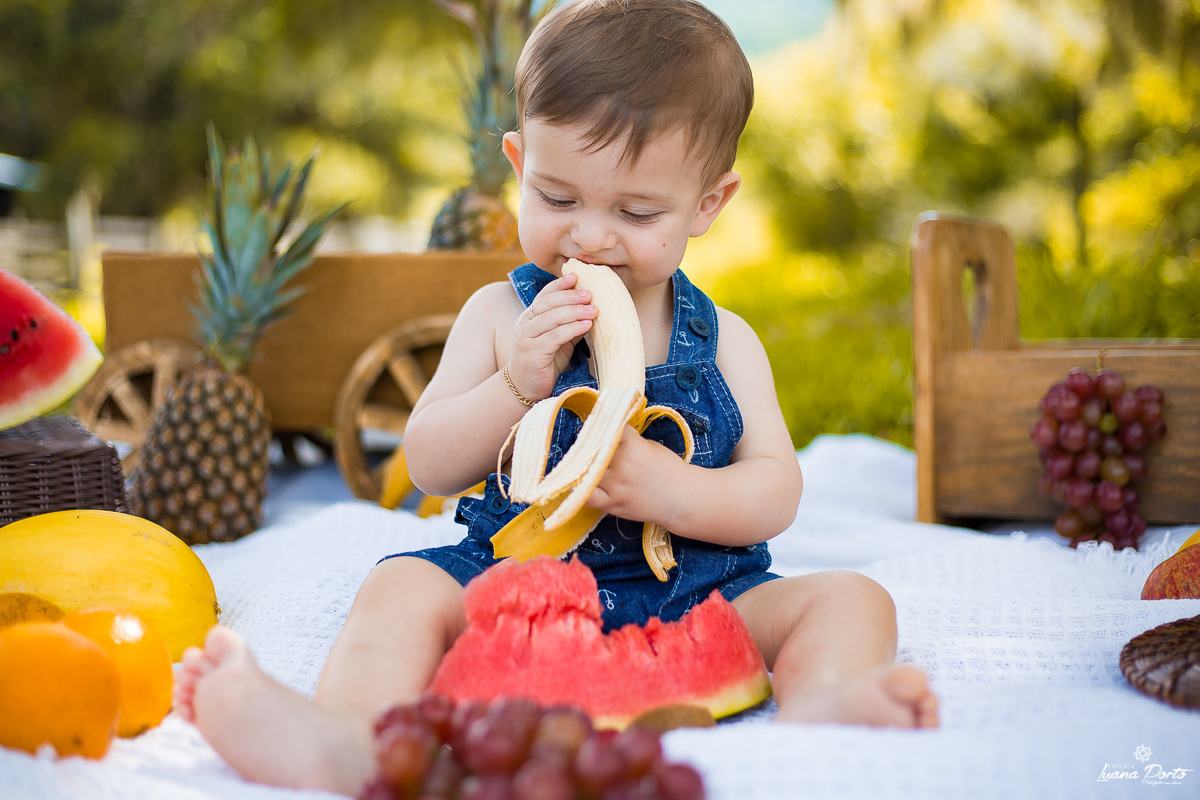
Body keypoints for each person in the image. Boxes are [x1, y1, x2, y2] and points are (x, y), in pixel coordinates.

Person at [172, 0, 939, 793]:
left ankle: (828, 699)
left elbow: (776, 488)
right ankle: (345, 736)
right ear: (517, 163)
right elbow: (429, 462)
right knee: (399, 586)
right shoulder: (499, 315)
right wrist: (512, 385)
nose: (591, 237)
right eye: (559, 199)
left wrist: (675, 490)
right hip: (512, 575)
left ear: (708, 203)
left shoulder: (727, 339)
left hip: (701, 589)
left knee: (851, 597)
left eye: (637, 212)